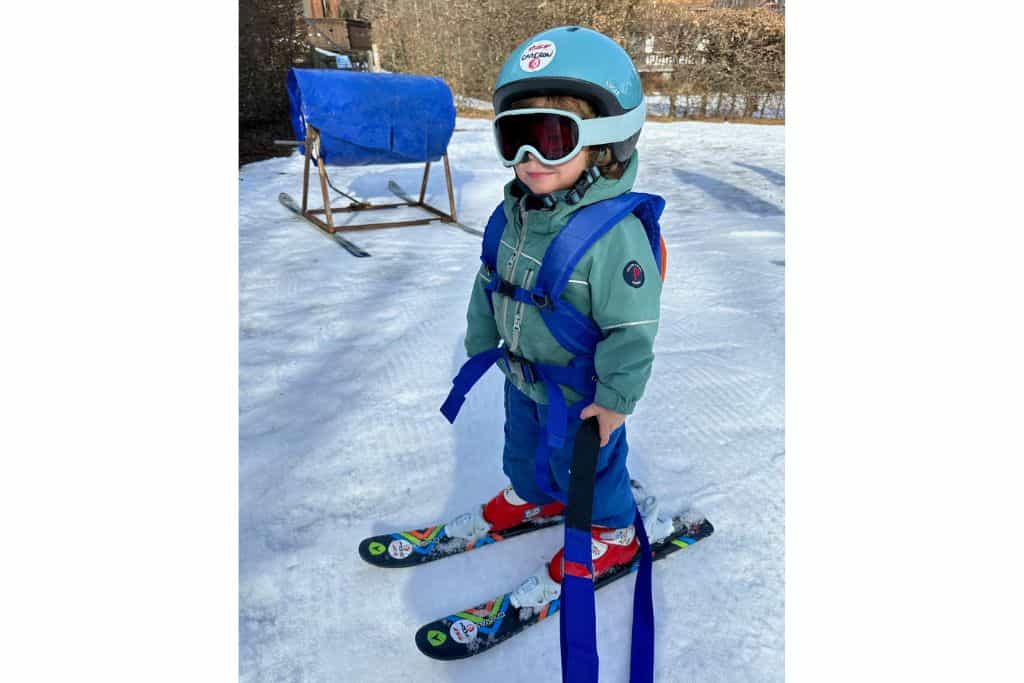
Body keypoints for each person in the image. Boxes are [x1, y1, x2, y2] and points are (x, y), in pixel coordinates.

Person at [441, 25, 672, 606]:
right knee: (523, 450)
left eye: (551, 137)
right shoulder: (512, 216)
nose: (528, 158)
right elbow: (489, 280)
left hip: (583, 391)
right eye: (514, 138)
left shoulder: (612, 238)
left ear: (603, 143)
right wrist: (481, 340)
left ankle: (612, 532)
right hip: (524, 374)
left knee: (590, 468)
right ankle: (538, 494)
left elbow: (633, 328)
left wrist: (617, 398)